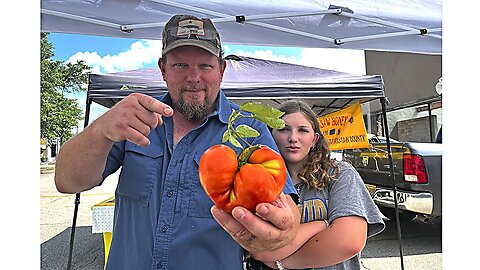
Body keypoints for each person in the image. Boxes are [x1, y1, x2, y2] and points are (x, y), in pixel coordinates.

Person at [54, 14, 300, 270]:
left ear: (222, 70)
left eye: (205, 66)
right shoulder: (134, 121)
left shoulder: (248, 129)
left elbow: (285, 203)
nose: (193, 78)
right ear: (163, 69)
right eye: (180, 65)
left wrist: (286, 227)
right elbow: (67, 181)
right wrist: (99, 131)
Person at [249, 100, 385, 269]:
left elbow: (349, 241)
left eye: (303, 130)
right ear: (270, 135)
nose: (293, 138)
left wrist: (281, 262)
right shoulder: (256, 179)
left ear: (314, 139)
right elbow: (259, 249)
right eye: (284, 129)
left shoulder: (339, 174)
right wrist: (321, 225)